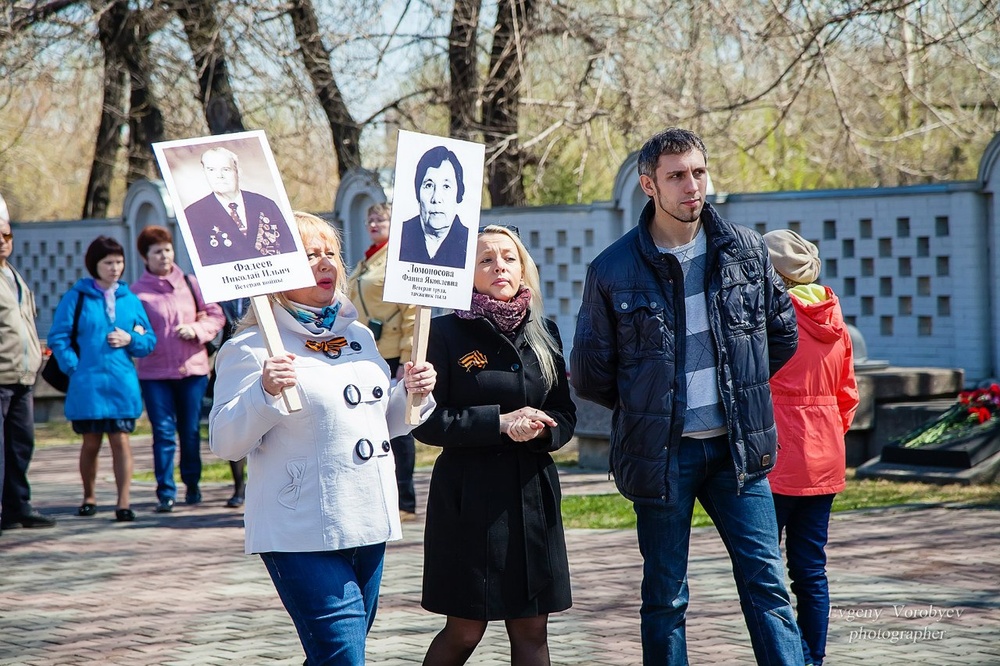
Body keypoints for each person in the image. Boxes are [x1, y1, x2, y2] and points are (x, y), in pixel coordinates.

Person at [570, 128, 803, 665]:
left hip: (737, 452)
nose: (691, 186)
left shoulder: (745, 250)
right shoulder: (612, 268)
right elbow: (590, 373)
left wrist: (739, 386)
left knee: (767, 587)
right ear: (649, 184)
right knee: (665, 597)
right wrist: (650, 403)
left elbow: (782, 334)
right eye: (676, 176)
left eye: (698, 172)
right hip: (662, 454)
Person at [209, 211, 437, 664]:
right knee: (344, 656)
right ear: (275, 268)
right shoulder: (250, 348)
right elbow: (226, 442)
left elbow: (378, 422)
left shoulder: (357, 336)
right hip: (299, 526)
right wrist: (264, 391)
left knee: (337, 653)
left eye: (331, 253)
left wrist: (411, 394)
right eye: (309, 255)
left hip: (368, 518)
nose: (325, 263)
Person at [414, 224, 577, 666]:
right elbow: (426, 423)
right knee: (465, 630)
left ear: (523, 268)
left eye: (508, 257)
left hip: (532, 497)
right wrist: (499, 424)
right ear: (466, 274)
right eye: (485, 259)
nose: (498, 266)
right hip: (468, 499)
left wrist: (543, 428)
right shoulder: (441, 334)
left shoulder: (546, 331)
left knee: (532, 630)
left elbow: (565, 414)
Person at [764, 229, 859, 666]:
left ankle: (792, 656)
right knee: (811, 569)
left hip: (779, 452)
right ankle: (814, 657)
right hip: (825, 456)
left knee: (766, 571)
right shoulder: (834, 316)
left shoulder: (772, 316)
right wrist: (829, 436)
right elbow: (848, 394)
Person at [48, 236, 156, 522]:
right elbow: (58, 337)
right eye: (108, 263)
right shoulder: (77, 296)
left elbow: (148, 340)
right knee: (91, 443)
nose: (115, 268)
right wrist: (75, 367)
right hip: (88, 384)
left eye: (119, 262)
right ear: (94, 264)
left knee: (121, 440)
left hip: (121, 382)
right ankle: (89, 497)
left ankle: (123, 502)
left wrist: (130, 338)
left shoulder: (130, 299)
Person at [132, 225, 225, 512]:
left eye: (168, 249)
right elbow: (132, 329)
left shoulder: (190, 282)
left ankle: (192, 484)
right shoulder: (136, 292)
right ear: (145, 257)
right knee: (162, 433)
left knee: (189, 431)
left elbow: (215, 314)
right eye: (157, 252)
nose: (164, 256)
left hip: (192, 371)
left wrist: (196, 329)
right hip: (154, 374)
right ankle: (166, 492)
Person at [348, 202, 418, 520]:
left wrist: (408, 356)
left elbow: (412, 312)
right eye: (370, 219)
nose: (375, 223)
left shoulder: (398, 259)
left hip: (391, 354)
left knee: (398, 429)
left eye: (382, 218)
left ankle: (405, 500)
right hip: (365, 352)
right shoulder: (367, 260)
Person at [0, 194, 56, 534]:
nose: (2, 242)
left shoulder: (13, 275)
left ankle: (18, 506)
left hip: (22, 375)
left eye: (6, 235)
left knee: (20, 444)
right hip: (1, 374)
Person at [184, 146, 294, 266]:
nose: (219, 175)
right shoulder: (192, 215)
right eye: (211, 170)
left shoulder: (266, 205)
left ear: (237, 171)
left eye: (225, 169)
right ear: (204, 172)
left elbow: (290, 250)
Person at [398, 145, 469, 268]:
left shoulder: (470, 243)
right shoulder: (400, 237)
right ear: (418, 193)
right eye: (429, 185)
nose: (436, 198)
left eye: (446, 186)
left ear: (458, 193)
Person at [216, 296, 250, 508]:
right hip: (232, 363)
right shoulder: (221, 294)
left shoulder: (266, 291)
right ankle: (239, 486)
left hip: (264, 357)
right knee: (234, 423)